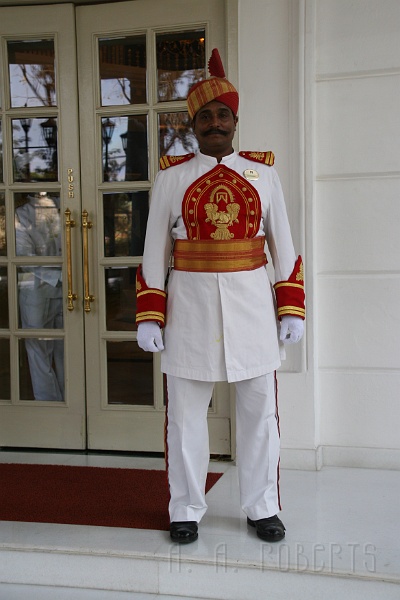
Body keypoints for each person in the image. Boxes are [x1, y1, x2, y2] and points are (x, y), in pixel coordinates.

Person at [136, 49, 305, 544]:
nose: (215, 123)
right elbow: (153, 252)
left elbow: (285, 247)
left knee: (261, 417)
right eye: (205, 116)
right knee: (185, 419)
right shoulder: (171, 177)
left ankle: (263, 507)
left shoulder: (263, 174)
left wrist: (291, 306)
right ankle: (185, 508)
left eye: (223, 114)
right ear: (193, 123)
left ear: (235, 119)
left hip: (252, 310)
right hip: (188, 312)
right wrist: (151, 314)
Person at [15, 192, 64, 401]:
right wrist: (61, 275)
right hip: (57, 287)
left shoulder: (22, 214)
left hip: (40, 290)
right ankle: (58, 404)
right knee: (51, 352)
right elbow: (24, 257)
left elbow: (24, 256)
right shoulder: (64, 206)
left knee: (43, 353)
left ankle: (55, 406)